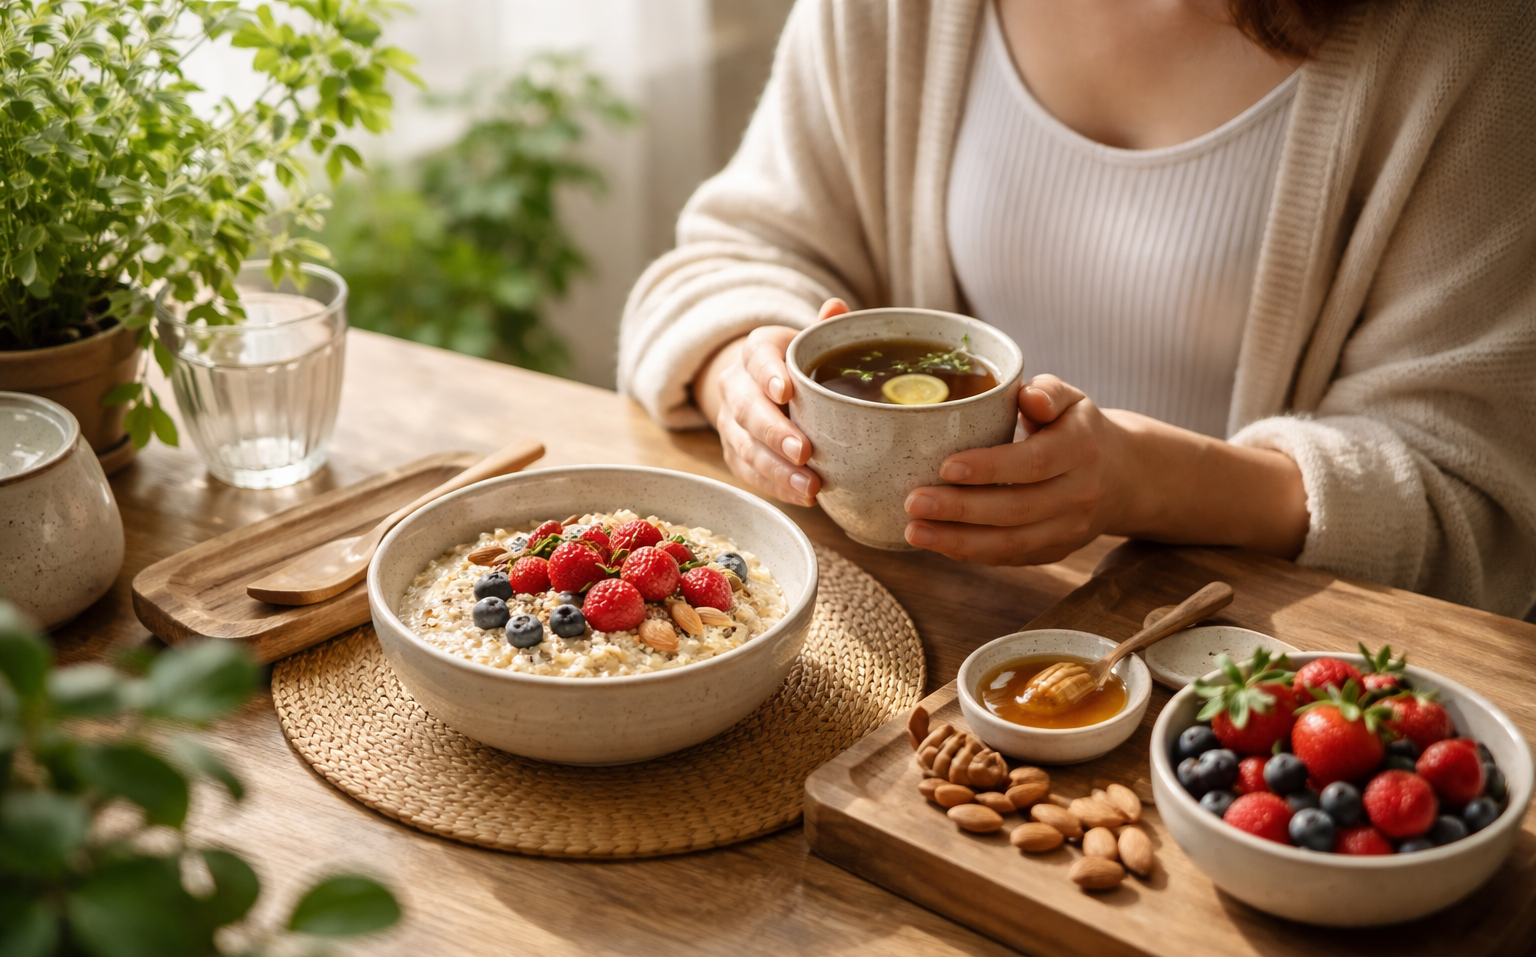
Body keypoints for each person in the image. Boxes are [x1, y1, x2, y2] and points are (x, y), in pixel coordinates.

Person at [618, 0, 1536, 619]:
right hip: (909, 621)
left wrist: (1151, 483)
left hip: (1243, 664)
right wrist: (743, 366)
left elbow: (1479, 503)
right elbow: (727, 257)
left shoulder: (1474, 41)